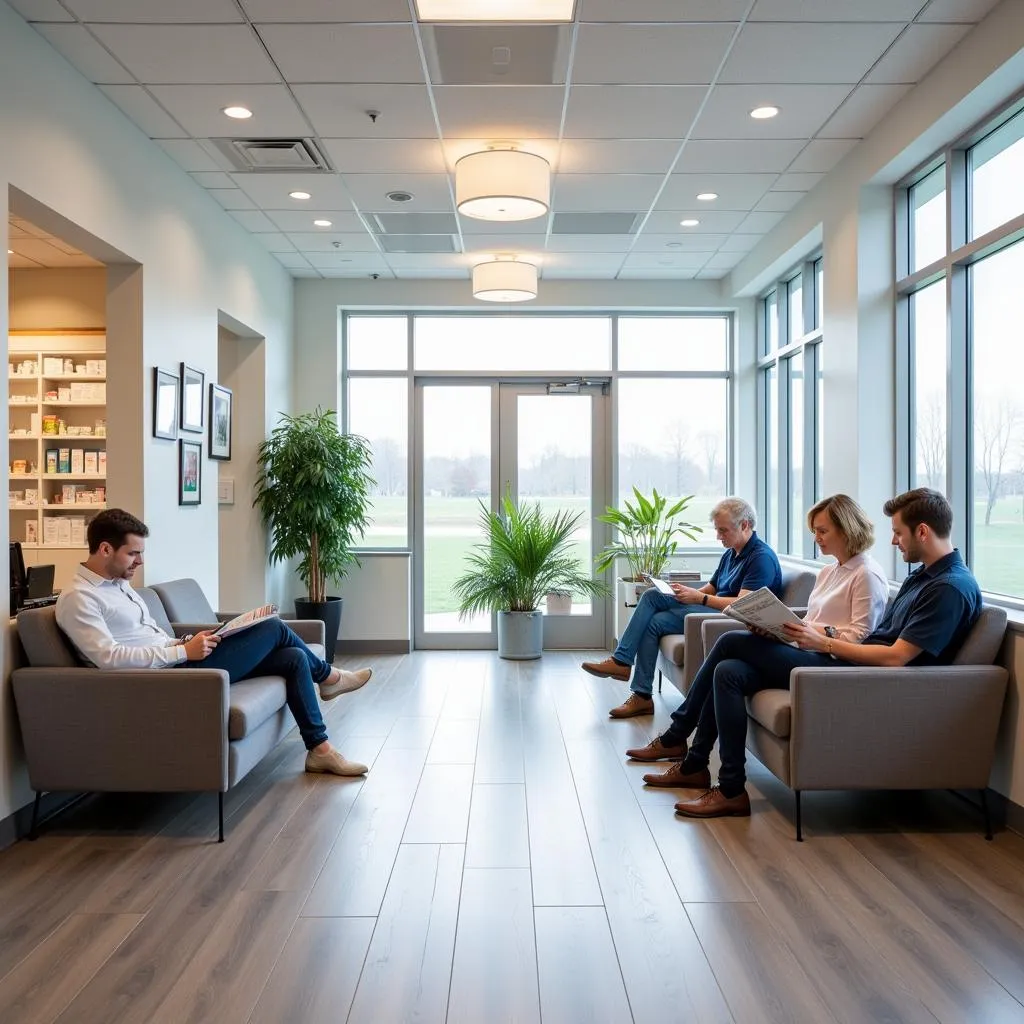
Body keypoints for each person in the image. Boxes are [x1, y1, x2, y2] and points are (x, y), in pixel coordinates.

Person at [666, 488, 982, 820]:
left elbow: (895, 657)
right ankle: (725, 786)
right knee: (728, 672)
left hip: (861, 677)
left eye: (898, 533)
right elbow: (878, 637)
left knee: (731, 641)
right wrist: (787, 629)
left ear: (922, 531)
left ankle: (681, 741)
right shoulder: (923, 577)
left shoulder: (948, 588)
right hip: (843, 662)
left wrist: (824, 642)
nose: (892, 542)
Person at [55, 509, 372, 777]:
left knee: (292, 656)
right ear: (106, 549)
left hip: (179, 659)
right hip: (167, 679)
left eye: (140, 553)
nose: (139, 561)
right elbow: (108, 658)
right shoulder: (79, 599)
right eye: (133, 553)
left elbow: (149, 636)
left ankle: (320, 749)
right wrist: (182, 651)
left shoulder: (118, 585)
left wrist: (186, 641)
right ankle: (329, 678)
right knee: (273, 628)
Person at [632, 493, 889, 785]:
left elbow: (860, 639)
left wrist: (814, 634)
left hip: (832, 663)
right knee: (727, 672)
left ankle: (676, 734)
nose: (816, 538)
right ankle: (710, 774)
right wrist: (781, 627)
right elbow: (812, 620)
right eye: (814, 531)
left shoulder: (867, 575)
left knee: (731, 641)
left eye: (822, 531)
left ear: (847, 528)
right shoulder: (830, 571)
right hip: (806, 649)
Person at [583, 497, 783, 719]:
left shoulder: (761, 558)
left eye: (723, 531)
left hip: (730, 619)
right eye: (717, 530)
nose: (718, 536)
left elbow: (742, 606)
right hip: (713, 609)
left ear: (745, 525)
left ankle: (624, 667)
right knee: (653, 605)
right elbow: (713, 588)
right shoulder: (731, 553)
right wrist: (684, 593)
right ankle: (639, 692)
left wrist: (699, 598)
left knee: (653, 609)